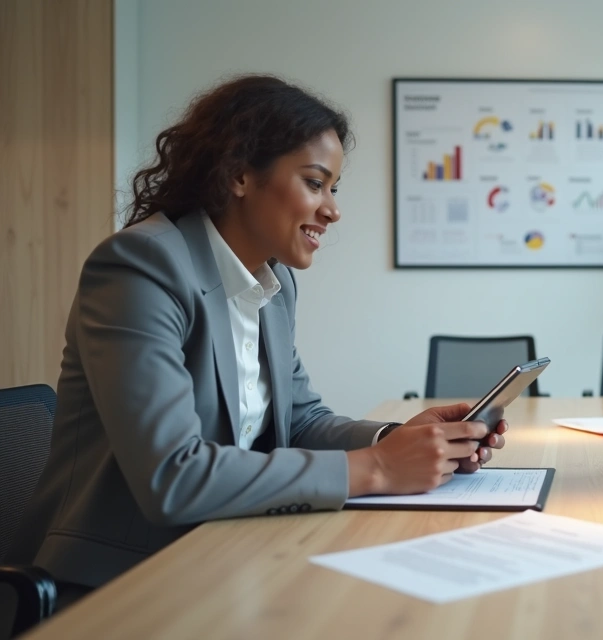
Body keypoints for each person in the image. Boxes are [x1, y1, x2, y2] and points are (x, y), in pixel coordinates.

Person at [7, 75, 508, 603]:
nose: (333, 209)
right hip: (113, 584)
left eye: (333, 188)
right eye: (315, 183)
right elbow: (172, 476)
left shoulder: (274, 283)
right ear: (240, 174)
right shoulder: (141, 266)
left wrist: (395, 440)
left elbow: (301, 420)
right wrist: (379, 469)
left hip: (224, 554)